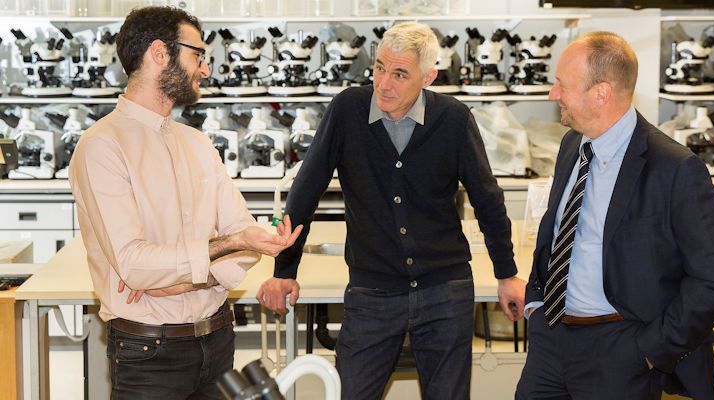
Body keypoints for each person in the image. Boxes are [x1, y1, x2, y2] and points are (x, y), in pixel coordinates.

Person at [257, 21, 526, 399]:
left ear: (428, 76)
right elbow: (306, 190)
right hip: (373, 290)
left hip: (444, 289)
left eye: (400, 74)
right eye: (380, 67)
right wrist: (284, 269)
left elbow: (487, 198)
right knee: (350, 392)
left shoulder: (453, 119)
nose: (384, 83)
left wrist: (507, 272)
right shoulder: (347, 110)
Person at [68, 7, 301, 399]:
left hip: (218, 341)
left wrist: (178, 281)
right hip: (148, 355)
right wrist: (224, 249)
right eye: (198, 55)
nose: (205, 70)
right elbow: (136, 264)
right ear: (160, 53)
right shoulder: (102, 147)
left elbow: (247, 244)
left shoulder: (197, 143)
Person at [515, 32, 714, 400]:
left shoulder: (674, 168)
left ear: (601, 93)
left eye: (561, 85)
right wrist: (536, 302)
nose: (552, 94)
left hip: (621, 347)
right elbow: (558, 232)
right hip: (550, 339)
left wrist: (651, 350)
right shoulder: (573, 144)